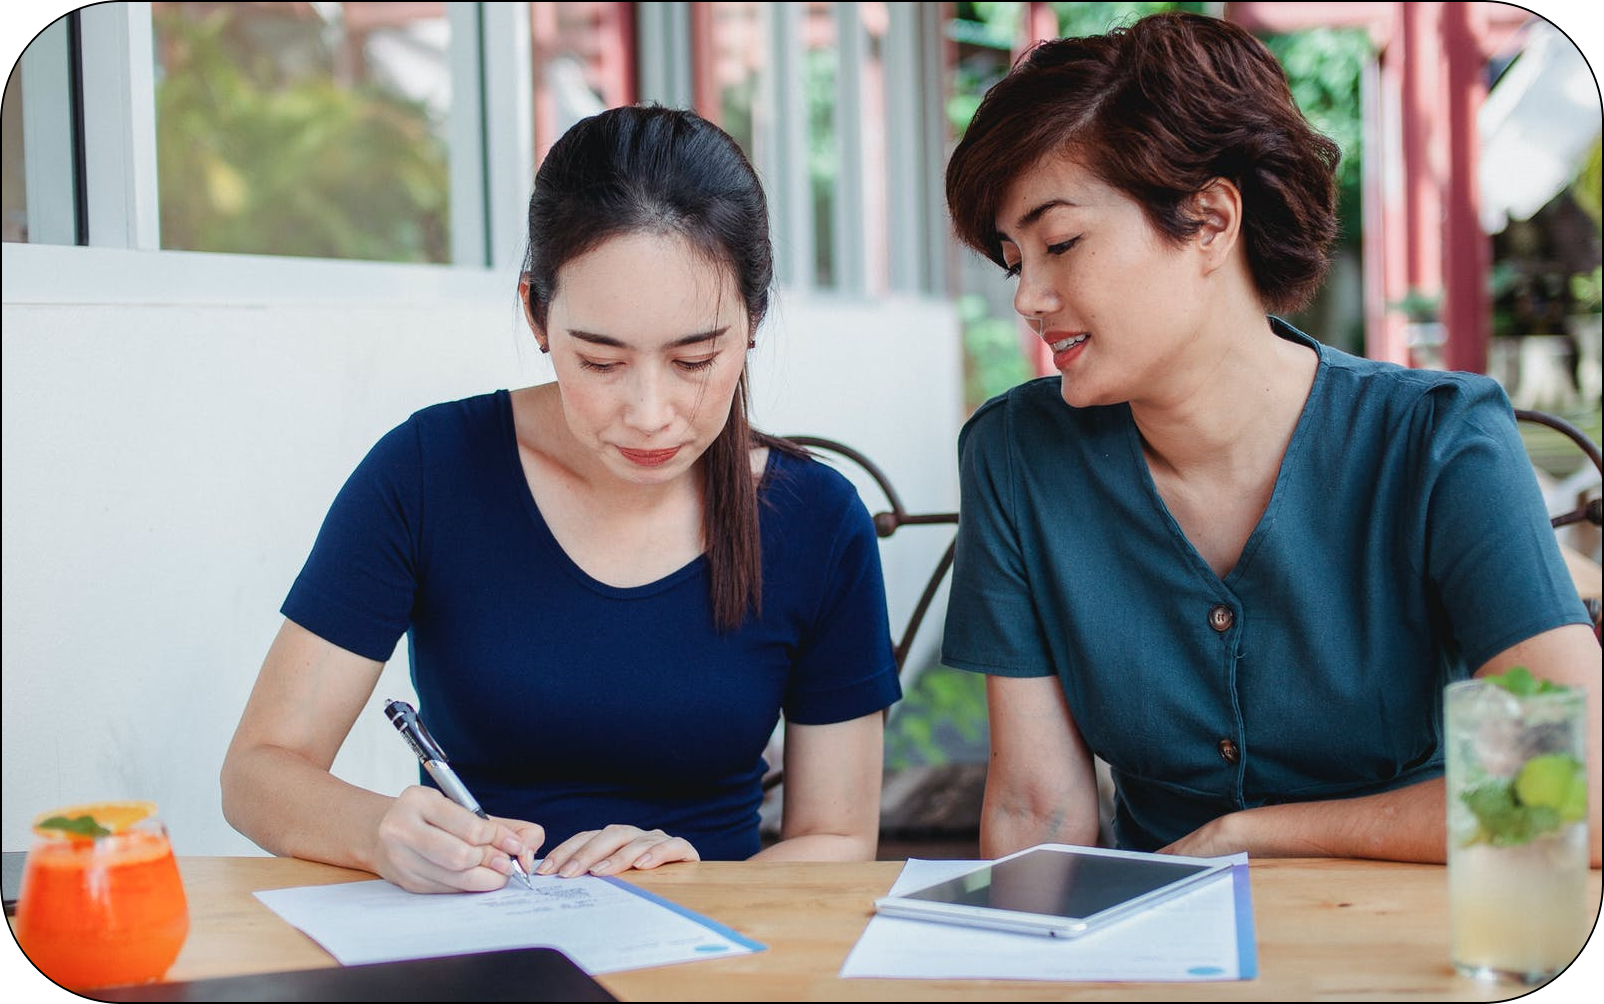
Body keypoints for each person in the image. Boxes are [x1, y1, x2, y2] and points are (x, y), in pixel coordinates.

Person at [939, 12, 1601, 865]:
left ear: (1211, 220)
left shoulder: (1438, 439)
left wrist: (1251, 836)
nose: (1027, 297)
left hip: (1409, 941)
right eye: (1012, 259)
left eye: (1060, 242)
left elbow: (1575, 780)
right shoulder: (1018, 453)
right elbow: (1038, 811)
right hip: (1157, 956)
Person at [221, 105, 901, 893]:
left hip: (716, 952)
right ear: (536, 314)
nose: (650, 413)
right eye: (602, 362)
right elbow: (258, 772)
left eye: (694, 360)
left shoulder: (815, 521)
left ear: (752, 321)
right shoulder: (429, 472)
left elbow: (839, 838)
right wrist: (377, 832)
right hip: (478, 943)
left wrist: (698, 879)